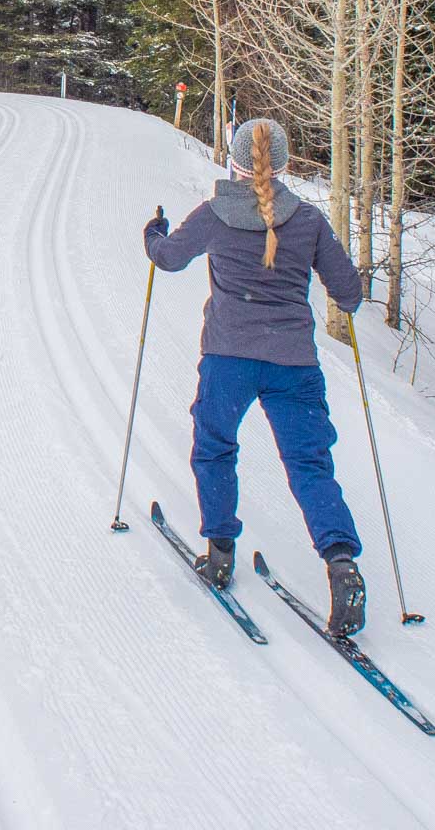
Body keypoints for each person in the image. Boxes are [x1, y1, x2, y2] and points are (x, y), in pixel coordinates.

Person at [143, 117, 366, 637]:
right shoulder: (307, 219)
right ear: (284, 165)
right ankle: (341, 564)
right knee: (310, 465)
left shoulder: (216, 215)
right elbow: (349, 292)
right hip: (294, 365)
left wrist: (153, 233)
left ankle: (220, 553)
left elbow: (168, 259)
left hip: (228, 359)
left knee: (215, 447)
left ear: (234, 163)